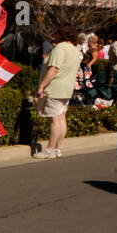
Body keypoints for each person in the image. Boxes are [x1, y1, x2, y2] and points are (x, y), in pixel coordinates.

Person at [34, 26, 79, 158]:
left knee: (54, 120)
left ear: (61, 34)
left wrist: (42, 86)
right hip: (67, 88)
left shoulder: (60, 48)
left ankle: (49, 149)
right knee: (61, 118)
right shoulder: (74, 50)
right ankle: (57, 149)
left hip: (55, 88)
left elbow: (54, 69)